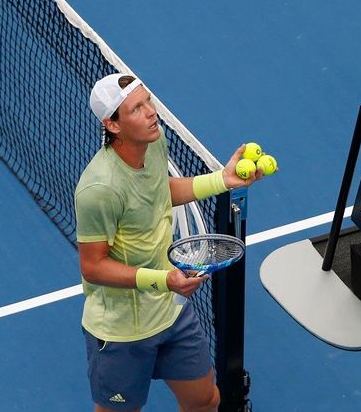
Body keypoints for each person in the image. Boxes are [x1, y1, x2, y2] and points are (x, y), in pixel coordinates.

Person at [75, 73, 261, 412]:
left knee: (205, 400)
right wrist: (164, 280)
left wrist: (223, 179)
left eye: (148, 101)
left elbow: (158, 193)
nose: (150, 112)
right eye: (136, 109)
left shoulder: (155, 143)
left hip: (170, 314)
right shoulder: (99, 189)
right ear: (112, 125)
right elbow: (92, 266)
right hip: (121, 332)